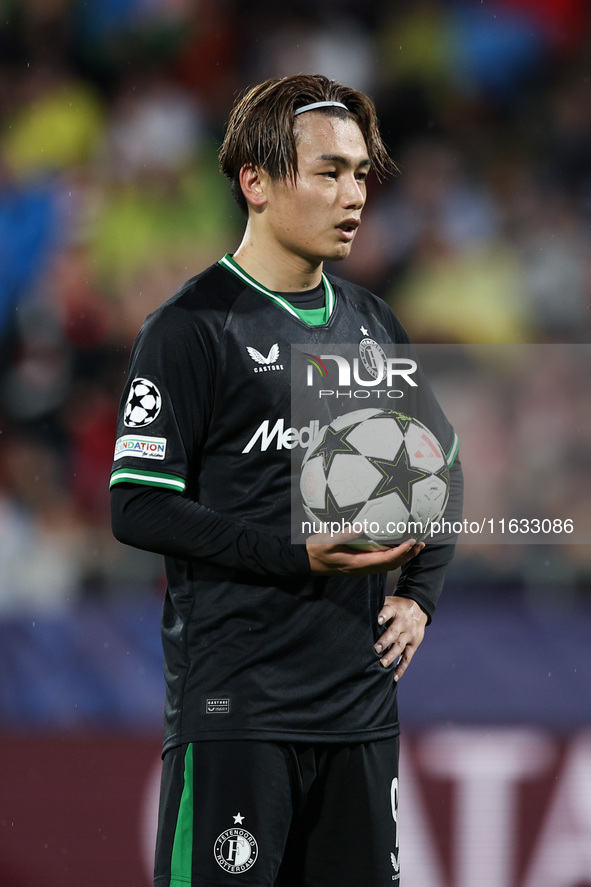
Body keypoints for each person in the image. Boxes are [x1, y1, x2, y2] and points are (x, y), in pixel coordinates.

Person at [110, 74, 462, 887]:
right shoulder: (192, 327)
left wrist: (421, 594)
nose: (354, 195)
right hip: (239, 710)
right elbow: (135, 505)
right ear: (256, 182)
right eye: (329, 171)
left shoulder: (372, 324)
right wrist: (293, 551)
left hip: (360, 714)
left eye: (361, 174)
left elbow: (439, 467)